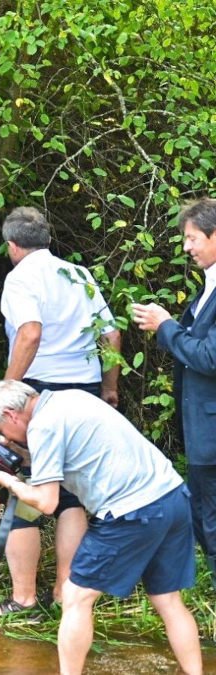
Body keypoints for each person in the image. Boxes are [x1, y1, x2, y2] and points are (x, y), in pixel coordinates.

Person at [0, 380, 202, 675]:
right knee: (168, 600)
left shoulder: (42, 426)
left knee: (75, 596)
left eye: (1, 430)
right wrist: (22, 455)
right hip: (171, 495)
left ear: (11, 415)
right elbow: (70, 455)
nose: (5, 439)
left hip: (132, 511)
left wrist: (9, 482)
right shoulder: (69, 399)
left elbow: (46, 503)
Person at [0, 206, 122, 616]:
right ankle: (65, 592)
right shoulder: (77, 275)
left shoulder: (20, 278)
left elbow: (30, 332)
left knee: (25, 489)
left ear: (12, 246)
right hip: (83, 391)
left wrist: (8, 391)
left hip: (38, 394)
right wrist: (109, 387)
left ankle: (23, 597)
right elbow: (111, 333)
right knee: (70, 497)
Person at [132, 197, 216, 586]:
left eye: (192, 238)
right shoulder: (206, 290)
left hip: (212, 437)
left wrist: (166, 326)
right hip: (202, 433)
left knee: (212, 523)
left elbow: (209, 356)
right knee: (205, 520)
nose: (186, 247)